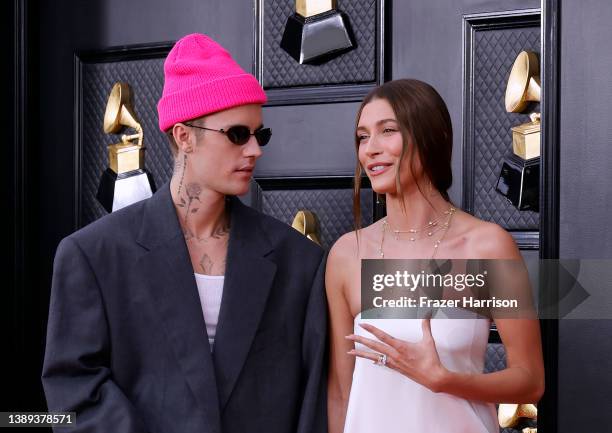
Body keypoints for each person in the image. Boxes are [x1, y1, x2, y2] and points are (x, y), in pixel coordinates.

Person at [42, 33, 327, 433]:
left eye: (259, 135)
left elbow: (313, 401)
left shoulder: (299, 261)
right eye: (237, 134)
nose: (255, 150)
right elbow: (71, 391)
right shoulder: (93, 255)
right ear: (184, 136)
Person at [326, 79, 544, 433]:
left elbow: (530, 380)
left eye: (388, 131)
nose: (371, 149)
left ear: (430, 138)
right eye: (363, 137)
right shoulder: (347, 254)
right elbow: (340, 393)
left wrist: (443, 379)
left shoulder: (486, 246)